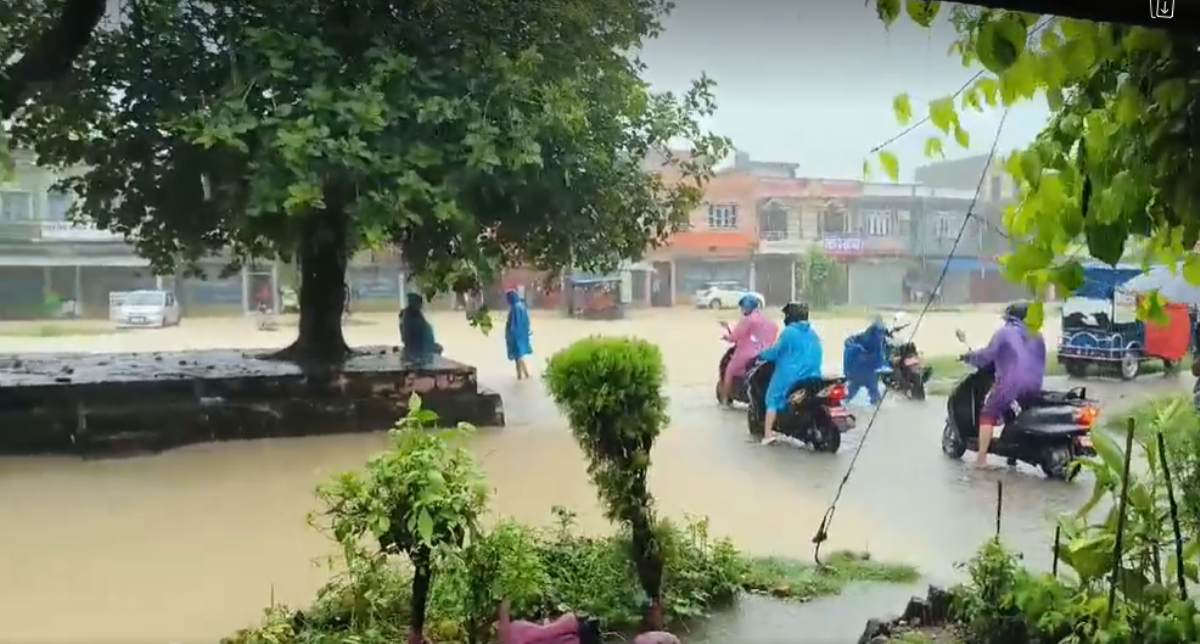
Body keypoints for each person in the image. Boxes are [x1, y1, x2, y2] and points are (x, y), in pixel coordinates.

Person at [963, 301, 1047, 468]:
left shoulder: (1004, 333)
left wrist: (969, 357)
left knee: (988, 414)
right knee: (1014, 412)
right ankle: (1012, 457)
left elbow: (986, 356)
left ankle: (981, 460)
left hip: (1011, 383)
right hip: (1035, 385)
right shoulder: (1038, 336)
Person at [757, 302, 823, 446]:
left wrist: (762, 354)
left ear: (790, 316)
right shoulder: (813, 333)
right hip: (813, 375)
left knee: (772, 398)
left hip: (791, 377)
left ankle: (768, 435)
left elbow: (775, 352)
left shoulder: (789, 332)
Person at [719, 294, 778, 406]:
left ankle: (725, 400)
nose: (742, 310)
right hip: (766, 355)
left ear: (746, 307)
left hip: (747, 355)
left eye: (742, 308)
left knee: (729, 370)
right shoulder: (771, 324)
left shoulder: (748, 320)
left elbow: (734, 337)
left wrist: (727, 337)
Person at [843, 316, 888, 408]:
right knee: (873, 393)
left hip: (863, 371)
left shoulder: (873, 337)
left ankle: (844, 404)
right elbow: (848, 341)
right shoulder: (869, 337)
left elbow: (848, 341)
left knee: (853, 391)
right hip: (864, 371)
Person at [399, 292, 443, 361]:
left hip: (419, 346)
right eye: (419, 304)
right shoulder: (410, 316)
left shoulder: (414, 314)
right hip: (417, 348)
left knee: (438, 348)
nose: (421, 306)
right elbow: (411, 336)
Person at [505, 288, 533, 379]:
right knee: (519, 356)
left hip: (515, 336)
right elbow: (527, 321)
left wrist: (509, 335)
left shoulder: (514, 308)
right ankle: (522, 375)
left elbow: (512, 324)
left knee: (518, 356)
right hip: (522, 334)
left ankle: (523, 375)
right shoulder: (522, 306)